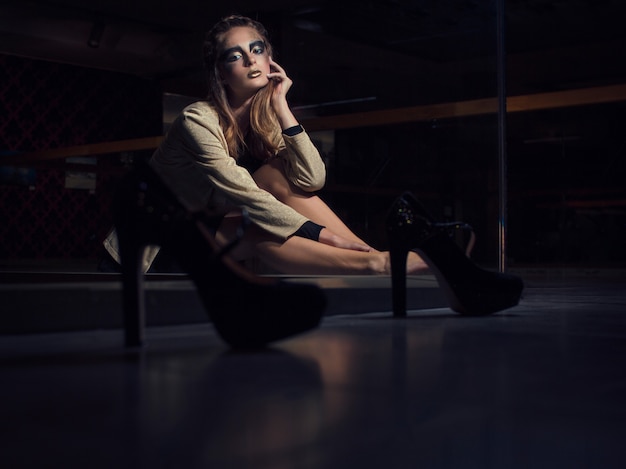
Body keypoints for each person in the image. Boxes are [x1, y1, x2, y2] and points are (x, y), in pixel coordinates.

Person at [105, 14, 427, 276]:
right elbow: (244, 194)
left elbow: (311, 180)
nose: (250, 60)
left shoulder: (266, 121)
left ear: (270, 57)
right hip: (158, 245)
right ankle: (377, 263)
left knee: (276, 174)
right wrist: (318, 233)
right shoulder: (197, 120)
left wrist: (282, 105)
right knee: (260, 231)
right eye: (235, 56)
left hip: (209, 229)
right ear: (221, 72)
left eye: (257, 50)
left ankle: (376, 256)